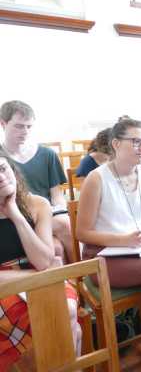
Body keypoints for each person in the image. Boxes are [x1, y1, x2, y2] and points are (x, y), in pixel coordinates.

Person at [0, 149, 80, 369]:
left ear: (13, 171)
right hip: (12, 282)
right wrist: (33, 276)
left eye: (3, 168)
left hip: (39, 272)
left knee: (67, 310)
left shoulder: (38, 204)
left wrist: (15, 214)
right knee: (59, 327)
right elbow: (44, 269)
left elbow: (44, 261)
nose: (0, 176)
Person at [77, 118, 141, 288]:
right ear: (116, 143)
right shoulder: (96, 178)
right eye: (136, 142)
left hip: (139, 249)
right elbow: (82, 233)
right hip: (102, 254)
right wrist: (124, 240)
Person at [0, 101, 72, 263]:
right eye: (19, 126)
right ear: (3, 124)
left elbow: (57, 195)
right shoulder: (1, 161)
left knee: (64, 223)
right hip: (10, 214)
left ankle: (78, 275)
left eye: (29, 127)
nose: (24, 131)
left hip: (43, 211)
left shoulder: (47, 154)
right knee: (57, 244)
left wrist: (57, 210)